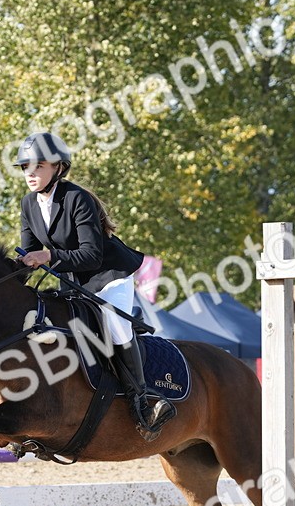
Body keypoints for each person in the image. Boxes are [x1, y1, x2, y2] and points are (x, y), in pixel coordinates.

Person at [13, 132, 176, 441]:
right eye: (25, 168)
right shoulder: (28, 204)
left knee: (114, 324)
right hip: (74, 283)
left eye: (38, 166)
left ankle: (143, 401)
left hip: (108, 276)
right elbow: (27, 257)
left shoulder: (77, 199)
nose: (30, 174)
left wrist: (47, 256)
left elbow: (90, 255)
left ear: (58, 167)